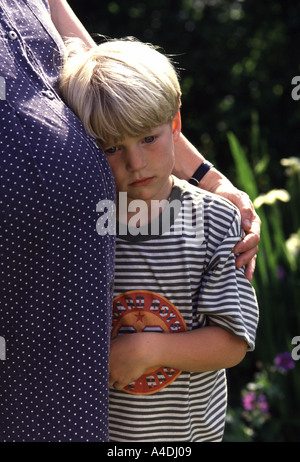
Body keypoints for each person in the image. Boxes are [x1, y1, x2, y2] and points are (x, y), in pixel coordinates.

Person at [59, 37, 259, 442]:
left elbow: (233, 342)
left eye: (148, 138)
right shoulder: (82, 223)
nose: (136, 163)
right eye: (113, 148)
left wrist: (149, 351)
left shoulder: (216, 220)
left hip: (183, 438)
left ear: (175, 125)